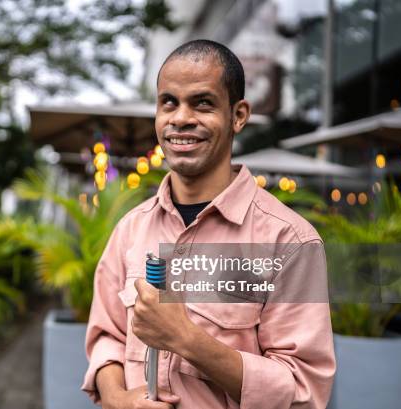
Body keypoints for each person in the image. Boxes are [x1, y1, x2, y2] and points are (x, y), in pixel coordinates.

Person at [81, 39, 335, 409]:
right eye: (169, 102)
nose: (180, 118)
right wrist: (119, 399)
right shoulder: (130, 230)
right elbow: (107, 339)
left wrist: (187, 340)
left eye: (202, 102)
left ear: (239, 115)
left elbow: (304, 391)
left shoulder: (289, 241)